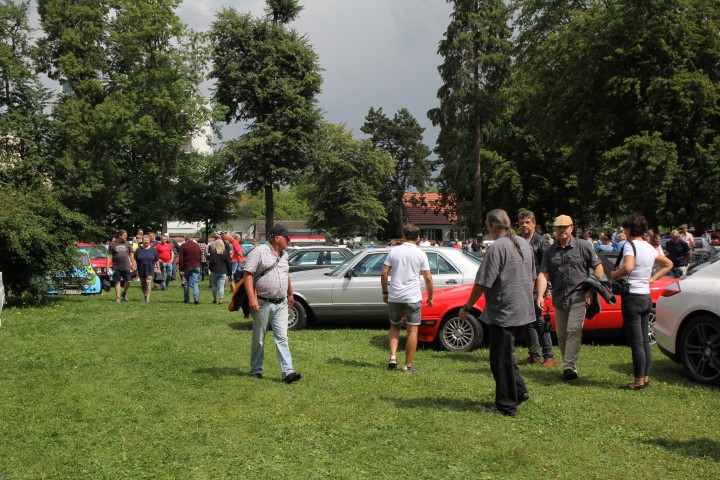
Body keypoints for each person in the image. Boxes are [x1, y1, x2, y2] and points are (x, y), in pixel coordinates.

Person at [458, 209, 535, 417]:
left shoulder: (498, 247)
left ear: (492, 225)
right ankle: (519, 391)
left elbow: (482, 282)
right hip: (523, 311)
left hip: (505, 313)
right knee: (506, 356)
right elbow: (532, 277)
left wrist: (467, 307)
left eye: (487, 225)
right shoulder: (523, 244)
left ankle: (506, 405)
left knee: (499, 360)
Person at [537, 215, 604, 381]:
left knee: (574, 330)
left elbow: (599, 268)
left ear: (572, 228)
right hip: (559, 298)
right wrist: (539, 295)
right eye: (559, 227)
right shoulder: (550, 251)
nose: (562, 230)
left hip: (579, 297)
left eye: (565, 227)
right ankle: (569, 364)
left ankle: (569, 367)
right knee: (561, 335)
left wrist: (590, 290)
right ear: (555, 230)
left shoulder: (583, 246)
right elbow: (543, 274)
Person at [610, 214, 673, 390]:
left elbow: (628, 267)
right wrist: (652, 279)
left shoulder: (630, 246)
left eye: (624, 229)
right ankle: (645, 377)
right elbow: (668, 264)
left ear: (629, 229)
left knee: (636, 342)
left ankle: (638, 380)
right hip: (646, 296)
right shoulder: (649, 247)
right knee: (645, 340)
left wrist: (614, 275)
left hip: (632, 297)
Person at [245, 224, 300, 383]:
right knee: (259, 338)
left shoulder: (285, 255)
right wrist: (251, 298)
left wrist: (290, 292)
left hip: (281, 303)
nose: (288, 241)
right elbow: (248, 274)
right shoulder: (259, 252)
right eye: (287, 238)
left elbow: (285, 274)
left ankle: (288, 372)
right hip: (263, 302)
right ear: (277, 238)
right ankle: (256, 370)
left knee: (282, 337)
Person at [380, 223, 434, 373]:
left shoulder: (394, 251)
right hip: (412, 297)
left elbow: (384, 273)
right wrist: (430, 297)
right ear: (417, 238)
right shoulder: (421, 254)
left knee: (394, 326)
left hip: (395, 295)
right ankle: (408, 366)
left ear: (403, 235)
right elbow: (428, 278)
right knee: (412, 330)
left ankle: (392, 357)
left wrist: (385, 292)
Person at [516, 210, 557, 368]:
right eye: (522, 223)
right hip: (522, 286)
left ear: (534, 223)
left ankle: (549, 356)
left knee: (540, 322)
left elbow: (548, 267)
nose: (525, 225)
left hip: (538, 287)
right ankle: (534, 355)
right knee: (528, 322)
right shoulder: (518, 241)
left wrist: (547, 289)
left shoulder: (541, 242)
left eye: (527, 222)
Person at [107, 229, 135, 303]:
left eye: (126, 235)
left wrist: (133, 263)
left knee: (128, 281)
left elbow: (131, 254)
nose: (126, 236)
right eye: (124, 235)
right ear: (119, 235)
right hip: (116, 266)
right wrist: (107, 266)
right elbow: (109, 256)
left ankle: (124, 292)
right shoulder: (112, 244)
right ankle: (118, 297)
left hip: (126, 266)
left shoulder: (127, 244)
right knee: (117, 282)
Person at [134, 235, 159, 303]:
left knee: (148, 283)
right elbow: (135, 259)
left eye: (147, 240)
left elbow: (156, 259)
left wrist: (158, 268)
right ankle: (145, 295)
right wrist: (134, 267)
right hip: (141, 269)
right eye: (145, 241)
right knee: (143, 284)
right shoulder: (138, 250)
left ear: (149, 241)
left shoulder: (153, 250)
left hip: (150, 269)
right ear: (142, 241)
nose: (146, 242)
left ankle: (147, 298)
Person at [208, 235, 232, 304]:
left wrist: (210, 268)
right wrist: (229, 273)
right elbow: (229, 264)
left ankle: (214, 299)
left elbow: (211, 262)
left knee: (214, 285)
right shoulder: (226, 253)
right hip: (223, 271)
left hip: (214, 271)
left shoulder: (213, 253)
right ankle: (220, 300)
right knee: (221, 286)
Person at [179, 234, 202, 304]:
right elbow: (200, 256)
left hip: (187, 266)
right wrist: (199, 265)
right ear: (192, 238)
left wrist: (181, 269)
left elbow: (181, 258)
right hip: (196, 266)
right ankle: (196, 298)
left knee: (186, 282)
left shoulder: (183, 246)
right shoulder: (197, 245)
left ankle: (186, 299)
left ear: (185, 239)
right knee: (195, 282)